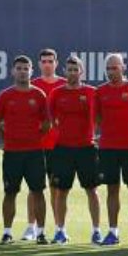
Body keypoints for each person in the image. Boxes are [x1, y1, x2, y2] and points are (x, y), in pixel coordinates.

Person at [0, 56, 51, 244]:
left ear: (31, 71)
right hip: (12, 152)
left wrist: (34, 138)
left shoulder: (39, 95)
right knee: (10, 193)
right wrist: (7, 138)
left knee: (38, 192)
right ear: (13, 71)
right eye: (19, 68)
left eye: (26, 68)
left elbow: (47, 123)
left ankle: (40, 232)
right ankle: (7, 232)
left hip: (34, 152)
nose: (22, 71)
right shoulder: (5, 95)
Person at [44, 55, 101, 245]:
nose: (73, 73)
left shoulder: (92, 92)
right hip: (63, 149)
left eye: (76, 70)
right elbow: (49, 118)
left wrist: (97, 134)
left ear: (82, 72)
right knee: (61, 191)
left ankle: (96, 231)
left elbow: (100, 117)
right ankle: (60, 230)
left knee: (92, 190)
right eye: (69, 70)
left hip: (86, 148)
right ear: (64, 71)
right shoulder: (56, 93)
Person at [92, 53, 128, 246]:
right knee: (112, 190)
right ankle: (113, 232)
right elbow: (97, 120)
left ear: (123, 67)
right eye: (109, 68)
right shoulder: (100, 91)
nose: (112, 71)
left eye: (115, 67)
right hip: (108, 148)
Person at [32, 47, 69, 240]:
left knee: (57, 189)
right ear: (39, 64)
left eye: (50, 61)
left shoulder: (64, 85)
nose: (47, 65)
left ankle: (58, 228)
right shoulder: (32, 85)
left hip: (57, 145)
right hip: (36, 145)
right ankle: (32, 228)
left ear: (56, 63)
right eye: (44, 61)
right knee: (35, 188)